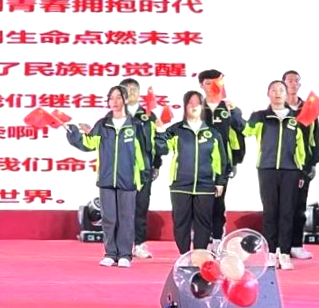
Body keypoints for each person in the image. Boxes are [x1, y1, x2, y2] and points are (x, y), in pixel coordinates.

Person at [66, 85, 146, 268]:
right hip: (106, 178)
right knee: (109, 218)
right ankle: (110, 253)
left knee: (126, 218)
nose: (115, 101)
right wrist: (74, 134)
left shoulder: (135, 125)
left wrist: (142, 176)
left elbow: (142, 153)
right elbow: (89, 143)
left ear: (125, 99)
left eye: (118, 97)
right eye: (111, 98)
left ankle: (125, 255)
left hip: (128, 179)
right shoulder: (102, 125)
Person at [243, 80, 307, 270]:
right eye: (274, 90)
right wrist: (244, 116)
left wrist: (301, 170)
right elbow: (246, 131)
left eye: (281, 90)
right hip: (267, 168)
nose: (278, 93)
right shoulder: (261, 116)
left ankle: (284, 254)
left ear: (287, 94)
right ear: (268, 94)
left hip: (291, 171)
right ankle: (270, 253)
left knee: (288, 212)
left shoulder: (296, 118)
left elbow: (302, 148)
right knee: (270, 212)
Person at [155, 90, 228, 254]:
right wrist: (159, 134)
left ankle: (199, 254)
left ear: (202, 106)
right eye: (190, 103)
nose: (194, 106)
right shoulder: (176, 130)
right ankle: (184, 255)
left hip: (205, 185)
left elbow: (220, 160)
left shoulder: (212, 133)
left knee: (204, 222)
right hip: (180, 184)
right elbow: (162, 150)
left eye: (197, 103)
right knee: (181, 222)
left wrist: (220, 182)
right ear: (185, 106)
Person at [198, 69, 245, 243]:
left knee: (218, 201)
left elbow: (241, 131)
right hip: (199, 163)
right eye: (207, 83)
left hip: (222, 163)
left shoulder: (229, 108)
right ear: (201, 85)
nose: (212, 87)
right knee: (200, 202)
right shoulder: (196, 108)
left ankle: (217, 237)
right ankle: (202, 238)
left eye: (215, 83)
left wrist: (235, 161)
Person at [120, 77, 162, 260]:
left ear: (139, 93)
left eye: (134, 90)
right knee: (121, 209)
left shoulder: (149, 116)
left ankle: (139, 244)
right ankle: (121, 245)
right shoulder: (115, 115)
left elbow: (157, 142)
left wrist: (156, 164)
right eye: (127, 90)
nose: (131, 93)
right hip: (121, 169)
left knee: (140, 207)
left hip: (143, 169)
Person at [282, 70, 319, 260]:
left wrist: (312, 163)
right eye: (289, 80)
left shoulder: (307, 108)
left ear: (299, 84)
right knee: (280, 207)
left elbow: (315, 138)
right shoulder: (276, 108)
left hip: (301, 166)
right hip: (280, 165)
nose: (292, 83)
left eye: (295, 81)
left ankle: (296, 245)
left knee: (298, 207)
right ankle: (280, 246)